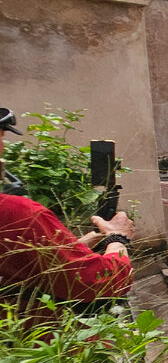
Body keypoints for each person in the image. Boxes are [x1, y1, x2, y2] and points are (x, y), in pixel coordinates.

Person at [0, 107, 135, 306]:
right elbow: (98, 283)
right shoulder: (18, 213)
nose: (3, 148)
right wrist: (118, 238)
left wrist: (74, 246)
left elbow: (26, 268)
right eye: (1, 138)